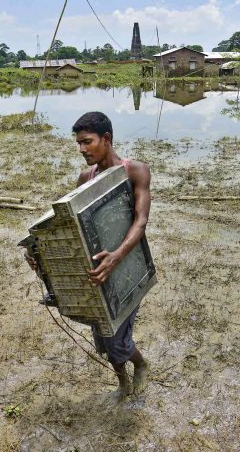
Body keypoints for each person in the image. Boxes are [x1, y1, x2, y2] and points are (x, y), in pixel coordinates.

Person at [25, 111, 151, 400]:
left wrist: (117, 255)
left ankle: (141, 365)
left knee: (118, 339)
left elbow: (140, 222)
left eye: (87, 142)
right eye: (79, 144)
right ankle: (122, 382)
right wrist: (41, 257)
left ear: (106, 139)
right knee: (104, 339)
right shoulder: (86, 177)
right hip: (97, 270)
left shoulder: (135, 171)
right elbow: (73, 226)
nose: (82, 150)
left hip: (126, 266)